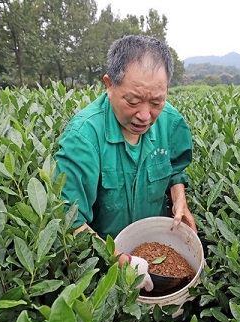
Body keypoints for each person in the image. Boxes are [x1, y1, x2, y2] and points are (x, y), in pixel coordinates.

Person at [54, 35, 197, 292]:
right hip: (103, 264)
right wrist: (121, 261)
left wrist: (179, 199)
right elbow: (69, 219)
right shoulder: (84, 137)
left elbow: (176, 166)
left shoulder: (171, 122)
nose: (145, 115)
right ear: (109, 85)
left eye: (156, 102)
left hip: (157, 253)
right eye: (132, 101)